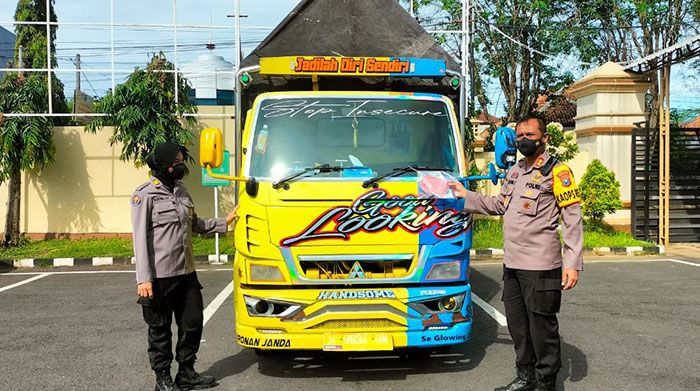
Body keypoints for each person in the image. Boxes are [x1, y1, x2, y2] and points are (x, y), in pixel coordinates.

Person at [448, 116, 583, 391]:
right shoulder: (515, 172)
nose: (523, 139)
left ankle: (546, 382)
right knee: (519, 327)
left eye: (529, 134)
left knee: (542, 328)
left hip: (541, 265)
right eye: (519, 134)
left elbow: (572, 220)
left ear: (544, 138)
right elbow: (498, 205)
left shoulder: (558, 172)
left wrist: (572, 263)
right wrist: (465, 194)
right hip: (513, 264)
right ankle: (526, 377)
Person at [131, 141, 238, 391]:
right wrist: (143, 279)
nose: (180, 166)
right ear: (163, 164)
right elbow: (139, 239)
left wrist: (224, 222)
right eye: (176, 162)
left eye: (181, 161)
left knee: (192, 323)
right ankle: (163, 378)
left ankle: (186, 372)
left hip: (186, 273)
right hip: (159, 276)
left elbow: (195, 223)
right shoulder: (144, 195)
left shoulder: (181, 191)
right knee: (160, 330)